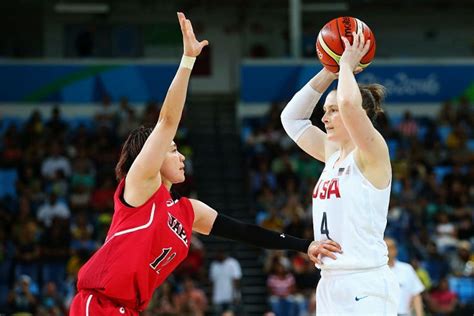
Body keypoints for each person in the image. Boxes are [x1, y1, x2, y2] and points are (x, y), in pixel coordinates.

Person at [69, 12, 332, 315]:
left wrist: (304, 246)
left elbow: (246, 232)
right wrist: (188, 61)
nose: (181, 156)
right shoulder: (140, 187)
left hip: (129, 309)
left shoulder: (188, 211)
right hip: (98, 303)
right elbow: (167, 122)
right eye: (172, 150)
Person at [281, 31, 399, 315]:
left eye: (331, 110)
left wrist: (346, 65)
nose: (323, 117)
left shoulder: (372, 152)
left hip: (365, 280)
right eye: (325, 110)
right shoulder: (333, 154)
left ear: (358, 114)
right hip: (330, 281)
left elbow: (348, 103)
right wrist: (328, 71)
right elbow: (292, 118)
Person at [386, 238, 425, 316]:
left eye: (391, 248)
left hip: (403, 313)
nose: (388, 251)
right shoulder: (375, 272)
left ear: (396, 250)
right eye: (386, 248)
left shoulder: (407, 269)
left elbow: (416, 294)